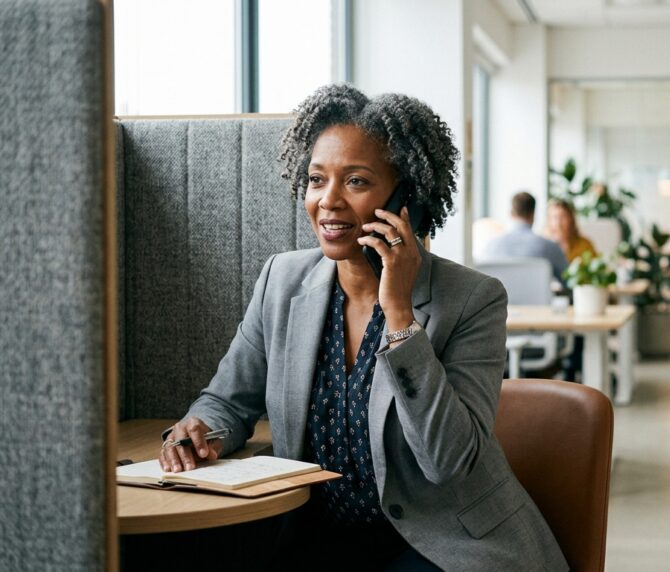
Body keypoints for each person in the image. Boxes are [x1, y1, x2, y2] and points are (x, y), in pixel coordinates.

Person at [158, 84, 567, 571]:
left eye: (355, 181)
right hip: (318, 537)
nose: (328, 201)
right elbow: (227, 401)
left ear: (406, 198)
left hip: (441, 543)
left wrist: (399, 315)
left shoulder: (472, 300)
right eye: (316, 180)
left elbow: (448, 461)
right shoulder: (281, 281)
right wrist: (202, 429)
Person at [480, 191, 569, 281]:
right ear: (533, 215)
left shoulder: (491, 246)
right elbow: (569, 280)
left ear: (511, 213)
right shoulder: (549, 247)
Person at [545, 198, 597, 263]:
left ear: (571, 219)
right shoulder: (544, 246)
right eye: (554, 217)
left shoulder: (584, 245)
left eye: (563, 217)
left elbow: (597, 266)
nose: (558, 223)